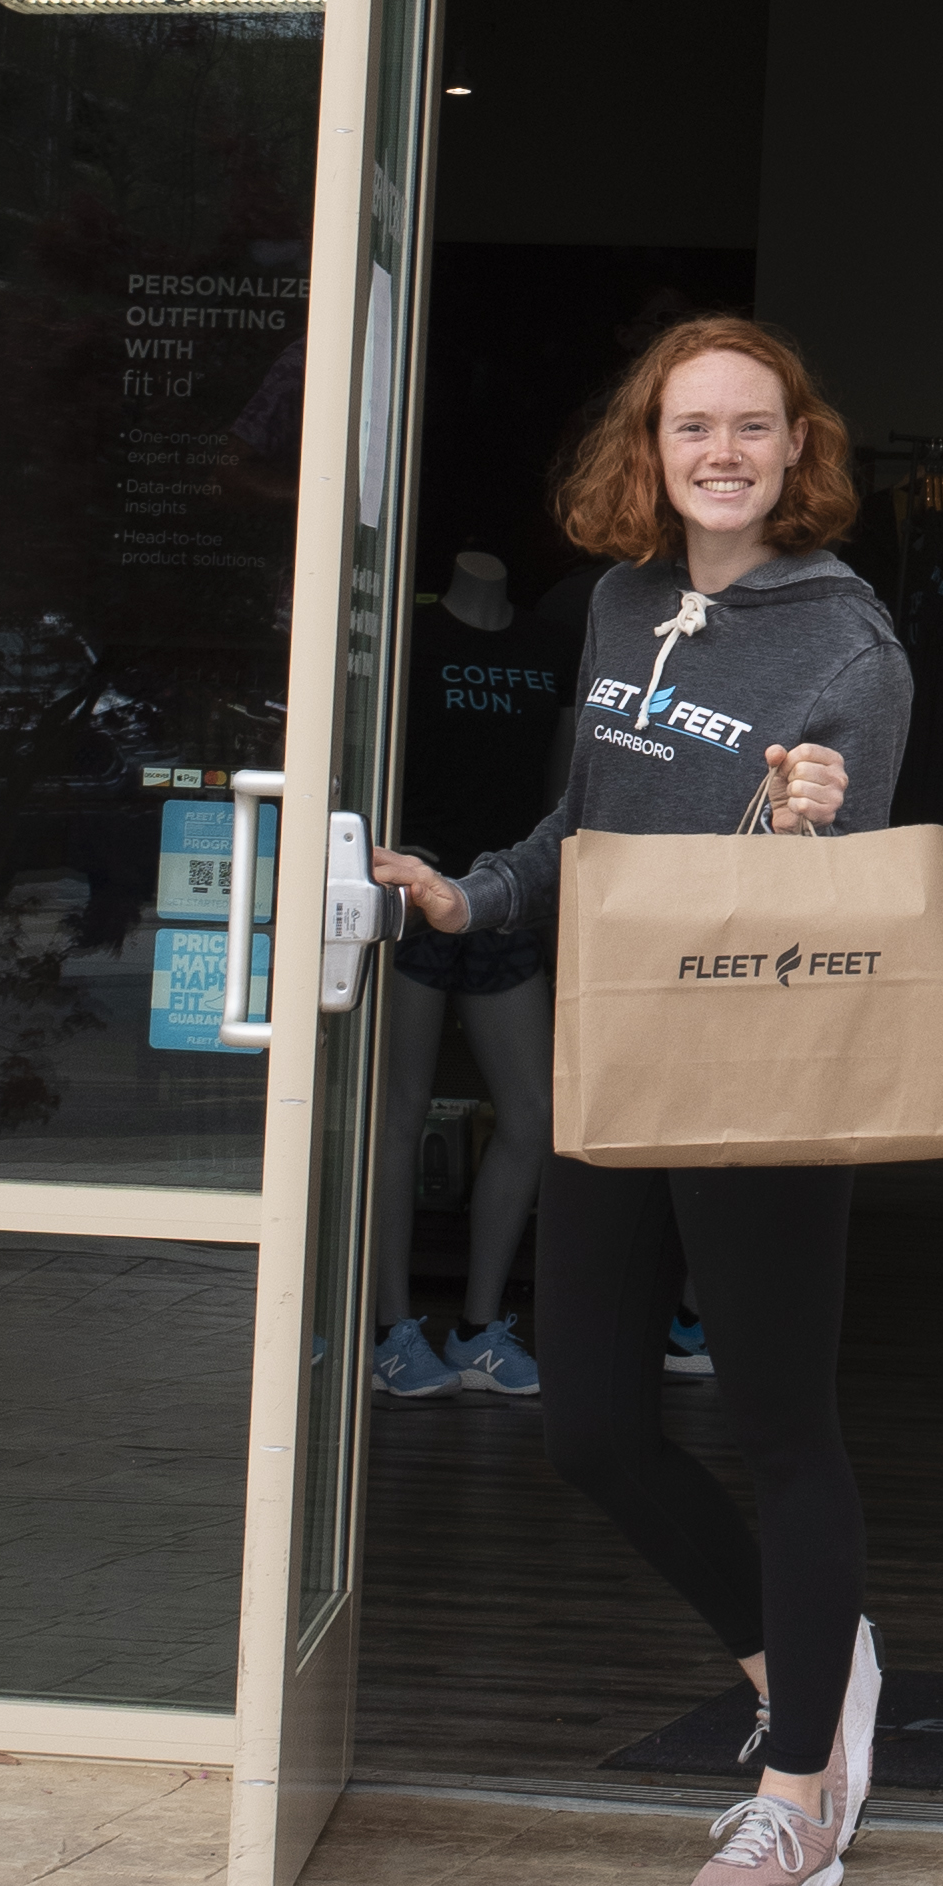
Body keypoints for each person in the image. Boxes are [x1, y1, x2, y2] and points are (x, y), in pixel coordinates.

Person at [376, 319, 914, 1886]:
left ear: (797, 446)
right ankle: (809, 1667)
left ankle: (795, 1792)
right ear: (650, 444)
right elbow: (581, 822)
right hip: (618, 1054)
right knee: (591, 1424)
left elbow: (846, 866)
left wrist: (813, 812)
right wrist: (474, 893)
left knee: (777, 1423)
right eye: (694, 425)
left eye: (754, 424)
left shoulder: (849, 641)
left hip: (758, 1073)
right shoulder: (618, 603)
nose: (723, 451)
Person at [371, 551, 565, 1404]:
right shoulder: (409, 632)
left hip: (504, 900)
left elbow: (564, 784)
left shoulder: (547, 642)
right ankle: (387, 1325)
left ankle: (480, 1326)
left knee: (535, 1111)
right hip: (415, 892)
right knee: (397, 1112)